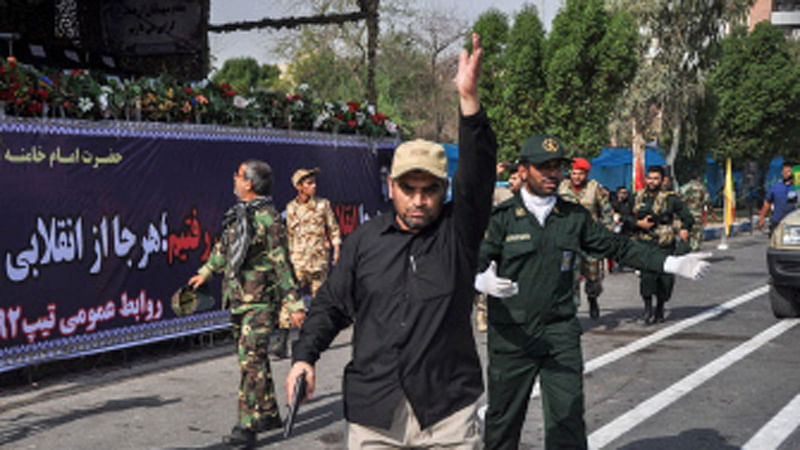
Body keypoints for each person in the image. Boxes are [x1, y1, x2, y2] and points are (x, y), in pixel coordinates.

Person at [286, 33, 495, 448]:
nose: (419, 200)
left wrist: (469, 104)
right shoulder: (365, 241)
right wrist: (304, 358)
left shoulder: (458, 232)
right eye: (408, 188)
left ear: (444, 190)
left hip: (446, 410)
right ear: (391, 187)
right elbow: (330, 305)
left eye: (430, 190)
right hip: (374, 412)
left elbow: (478, 174)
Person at [475, 138, 710, 449]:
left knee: (567, 420)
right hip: (512, 335)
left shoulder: (573, 217)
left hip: (560, 332)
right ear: (523, 170)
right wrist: (481, 281)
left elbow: (618, 246)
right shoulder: (501, 218)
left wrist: (670, 262)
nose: (552, 173)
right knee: (503, 419)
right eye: (543, 167)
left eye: (557, 166)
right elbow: (470, 263)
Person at [187, 160, 306, 448]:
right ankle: (267, 414)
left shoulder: (268, 219)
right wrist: (204, 273)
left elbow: (282, 264)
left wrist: (294, 304)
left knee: (250, 362)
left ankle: (247, 426)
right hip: (238, 300)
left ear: (249, 183)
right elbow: (223, 250)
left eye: (239, 176)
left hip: (261, 302)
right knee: (252, 360)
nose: (235, 179)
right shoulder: (238, 215)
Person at [270, 168, 341, 359]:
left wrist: (336, 249)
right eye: (309, 183)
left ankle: (312, 340)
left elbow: (333, 228)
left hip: (319, 262)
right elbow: (288, 235)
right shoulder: (291, 208)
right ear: (299, 187)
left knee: (320, 302)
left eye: (314, 182)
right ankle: (281, 341)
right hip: (298, 261)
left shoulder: (323, 205)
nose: (314, 186)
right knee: (290, 300)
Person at [626, 165, 694, 324]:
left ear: (662, 180)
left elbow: (688, 217)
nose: (652, 181)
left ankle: (660, 307)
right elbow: (624, 216)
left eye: (656, 178)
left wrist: (684, 229)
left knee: (665, 279)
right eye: (649, 178)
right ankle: (647, 308)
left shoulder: (671, 199)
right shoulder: (637, 197)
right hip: (645, 244)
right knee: (647, 277)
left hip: (664, 244)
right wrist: (638, 223)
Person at [557, 157, 613, 319]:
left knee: (593, 277)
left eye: (580, 174)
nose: (576, 177)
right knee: (569, 276)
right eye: (574, 173)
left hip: (590, 239)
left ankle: (593, 299)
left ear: (586, 174)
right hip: (568, 240)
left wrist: (605, 234)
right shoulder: (561, 187)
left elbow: (606, 212)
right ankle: (572, 310)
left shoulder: (595, 188)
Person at [478, 162, 526, 332]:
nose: (511, 181)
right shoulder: (503, 194)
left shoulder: (531, 200)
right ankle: (482, 312)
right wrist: (493, 175)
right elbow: (480, 193)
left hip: (517, 246)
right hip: (496, 244)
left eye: (515, 178)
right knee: (488, 274)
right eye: (510, 178)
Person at [759, 161, 797, 235]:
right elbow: (767, 203)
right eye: (783, 171)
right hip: (777, 222)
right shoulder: (775, 187)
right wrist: (762, 218)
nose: (784, 173)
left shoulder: (797, 187)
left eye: (788, 171)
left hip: (794, 223)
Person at [680, 173, 711, 251]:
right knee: (697, 234)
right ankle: (695, 249)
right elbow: (706, 200)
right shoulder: (702, 188)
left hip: (685, 214)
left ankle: (686, 249)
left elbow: (678, 199)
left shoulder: (684, 187)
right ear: (698, 178)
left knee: (687, 232)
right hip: (697, 214)